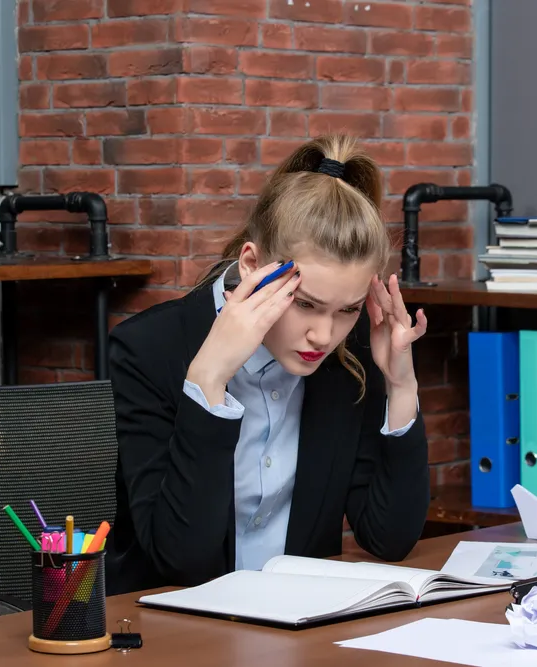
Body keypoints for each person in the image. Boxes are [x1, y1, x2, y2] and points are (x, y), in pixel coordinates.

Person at [104, 134, 431, 595]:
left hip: (298, 627)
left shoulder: (349, 353)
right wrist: (209, 381)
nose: (324, 334)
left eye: (348, 309)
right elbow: (181, 561)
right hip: (171, 637)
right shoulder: (149, 348)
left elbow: (388, 538)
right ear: (252, 264)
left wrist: (400, 387)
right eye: (305, 304)